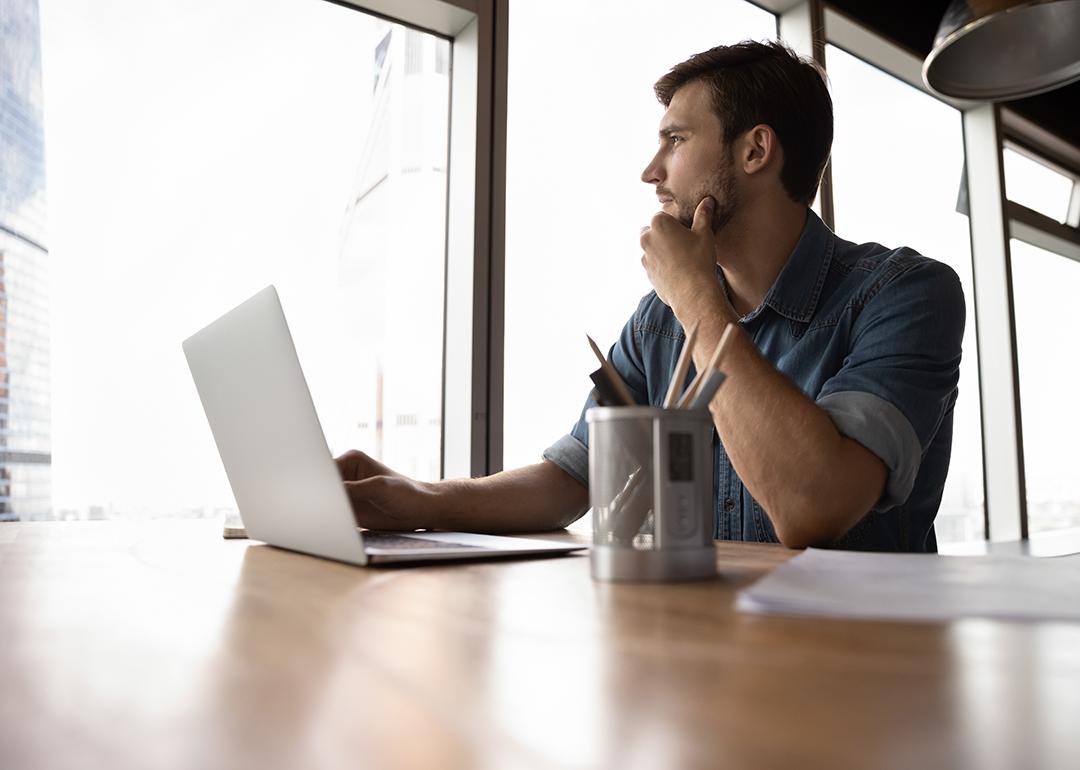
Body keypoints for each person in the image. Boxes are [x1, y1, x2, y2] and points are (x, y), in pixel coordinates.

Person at [336, 40, 965, 552]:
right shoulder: (657, 323)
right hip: (705, 648)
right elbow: (571, 480)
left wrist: (695, 297)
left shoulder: (905, 293)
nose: (651, 171)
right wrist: (421, 499)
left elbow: (812, 508)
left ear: (755, 150)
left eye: (676, 140)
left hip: (862, 659)